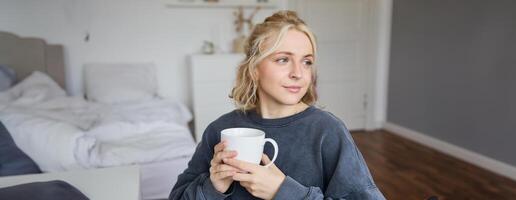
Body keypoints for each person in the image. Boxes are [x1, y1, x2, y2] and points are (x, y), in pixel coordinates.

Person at [169, 10, 385, 200]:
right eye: (283, 59)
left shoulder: (327, 131)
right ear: (254, 69)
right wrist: (213, 188)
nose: (298, 73)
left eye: (307, 62)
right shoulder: (220, 130)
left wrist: (283, 191)